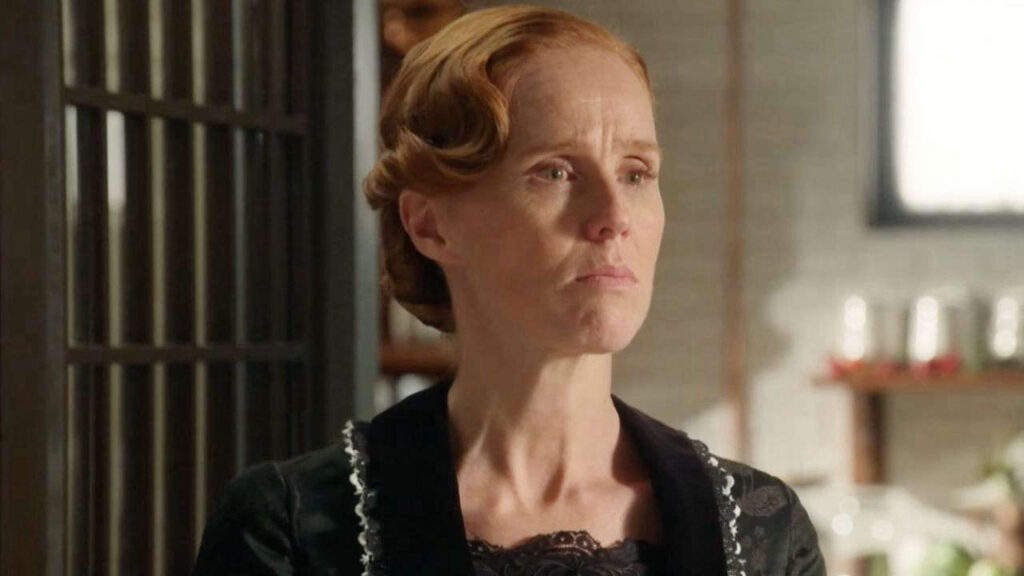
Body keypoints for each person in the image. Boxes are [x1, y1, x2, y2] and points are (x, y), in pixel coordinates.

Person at [193, 5, 827, 575]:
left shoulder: (764, 532)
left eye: (636, 173)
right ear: (431, 224)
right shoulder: (293, 529)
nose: (614, 216)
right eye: (555, 172)